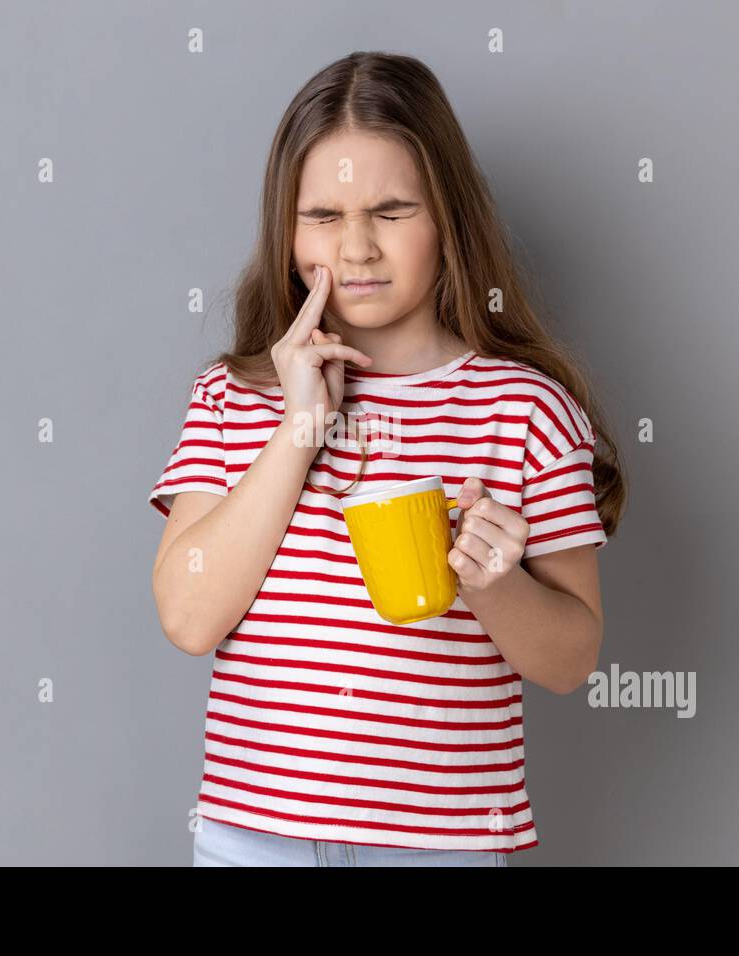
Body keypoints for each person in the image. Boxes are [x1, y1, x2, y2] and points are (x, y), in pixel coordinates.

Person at [148, 51, 627, 867]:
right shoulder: (232, 397)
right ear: (285, 227)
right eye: (324, 216)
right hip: (250, 842)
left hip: (440, 848)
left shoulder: (525, 410)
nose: (358, 247)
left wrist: (495, 581)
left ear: (448, 218)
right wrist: (298, 429)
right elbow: (190, 619)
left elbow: (570, 660)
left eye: (393, 210)